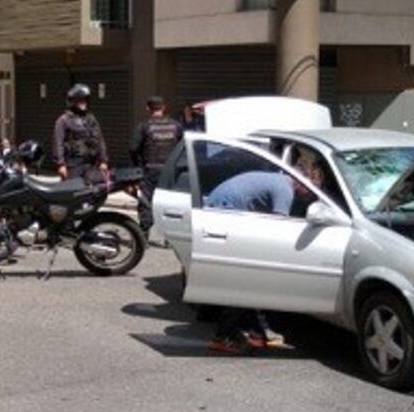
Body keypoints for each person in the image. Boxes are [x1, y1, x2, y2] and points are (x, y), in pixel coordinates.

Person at [206, 160, 325, 354]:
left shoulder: (279, 181)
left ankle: (255, 333)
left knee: (249, 282)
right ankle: (223, 336)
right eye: (312, 190)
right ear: (301, 182)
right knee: (246, 282)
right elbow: (279, 230)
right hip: (225, 211)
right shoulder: (284, 191)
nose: (312, 196)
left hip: (220, 208)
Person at [130, 96, 183, 234]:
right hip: (170, 171)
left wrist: (138, 166)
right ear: (163, 108)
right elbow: (182, 148)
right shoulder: (176, 126)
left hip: (150, 170)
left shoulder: (143, 126)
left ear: (148, 108)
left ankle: (144, 234)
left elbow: (133, 148)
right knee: (169, 201)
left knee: (147, 201)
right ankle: (169, 235)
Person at [52, 84, 109, 183]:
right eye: (80, 100)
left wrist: (104, 160)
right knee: (73, 194)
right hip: (73, 166)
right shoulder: (64, 120)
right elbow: (58, 144)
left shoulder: (91, 119)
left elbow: (100, 140)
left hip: (91, 165)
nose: (84, 103)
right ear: (73, 101)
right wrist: (61, 165)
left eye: (85, 100)